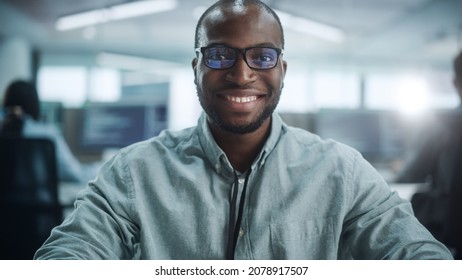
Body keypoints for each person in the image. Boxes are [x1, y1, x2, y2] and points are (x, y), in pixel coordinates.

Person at [34, 0, 452, 260]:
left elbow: (415, 255)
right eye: (218, 55)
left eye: (262, 57)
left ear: (282, 70)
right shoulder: (132, 172)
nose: (241, 73)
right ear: (195, 68)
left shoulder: (342, 171)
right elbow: (73, 252)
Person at [394, 50, 462, 258]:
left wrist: (397, 169)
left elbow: (411, 174)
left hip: (449, 242)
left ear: (456, 83)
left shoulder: (445, 126)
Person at [0, 80, 99, 184]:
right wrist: (100, 168)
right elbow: (75, 175)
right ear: (34, 104)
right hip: (36, 199)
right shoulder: (47, 134)